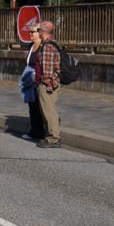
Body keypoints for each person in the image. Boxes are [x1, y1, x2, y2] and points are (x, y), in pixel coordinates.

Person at [35, 20, 62, 148]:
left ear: (42, 31)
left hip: (48, 85)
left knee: (49, 110)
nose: (37, 32)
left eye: (38, 30)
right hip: (54, 83)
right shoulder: (54, 44)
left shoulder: (46, 47)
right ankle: (52, 134)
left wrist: (47, 85)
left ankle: (53, 138)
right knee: (49, 109)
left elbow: (47, 71)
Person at [22, 25, 47, 139]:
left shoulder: (44, 46)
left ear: (40, 32)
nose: (30, 34)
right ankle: (34, 130)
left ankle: (42, 131)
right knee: (32, 106)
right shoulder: (31, 46)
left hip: (39, 80)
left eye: (33, 32)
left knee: (40, 106)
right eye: (29, 32)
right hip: (29, 80)